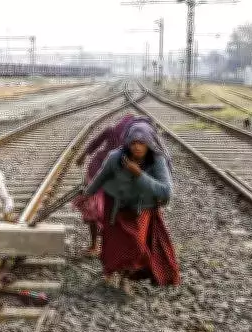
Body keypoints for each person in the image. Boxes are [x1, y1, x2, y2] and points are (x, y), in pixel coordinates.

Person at [82, 120, 180, 295]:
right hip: (116, 206)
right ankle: (117, 274)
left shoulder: (157, 160)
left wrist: (139, 174)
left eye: (142, 143)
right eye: (133, 143)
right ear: (127, 143)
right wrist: (88, 192)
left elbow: (166, 191)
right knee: (114, 244)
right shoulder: (115, 157)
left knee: (136, 245)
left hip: (142, 210)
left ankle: (126, 276)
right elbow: (101, 177)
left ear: (149, 143)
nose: (137, 147)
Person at [73, 114, 137, 256]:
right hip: (105, 175)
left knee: (94, 209)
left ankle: (95, 246)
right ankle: (103, 246)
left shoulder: (112, 131)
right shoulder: (132, 139)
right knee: (105, 210)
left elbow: (94, 144)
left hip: (98, 171)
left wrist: (82, 156)